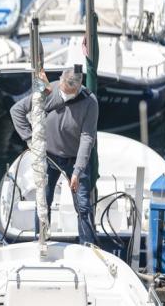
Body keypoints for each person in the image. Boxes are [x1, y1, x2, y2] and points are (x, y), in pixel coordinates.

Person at [10, 66, 99, 245]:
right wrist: (29, 139)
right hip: (48, 156)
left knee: (83, 206)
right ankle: (40, 240)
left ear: (80, 86)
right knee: (43, 201)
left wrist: (77, 171)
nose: (65, 95)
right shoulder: (48, 90)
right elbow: (17, 111)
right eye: (63, 91)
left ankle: (88, 245)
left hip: (75, 159)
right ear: (60, 81)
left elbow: (87, 137)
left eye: (70, 93)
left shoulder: (90, 102)